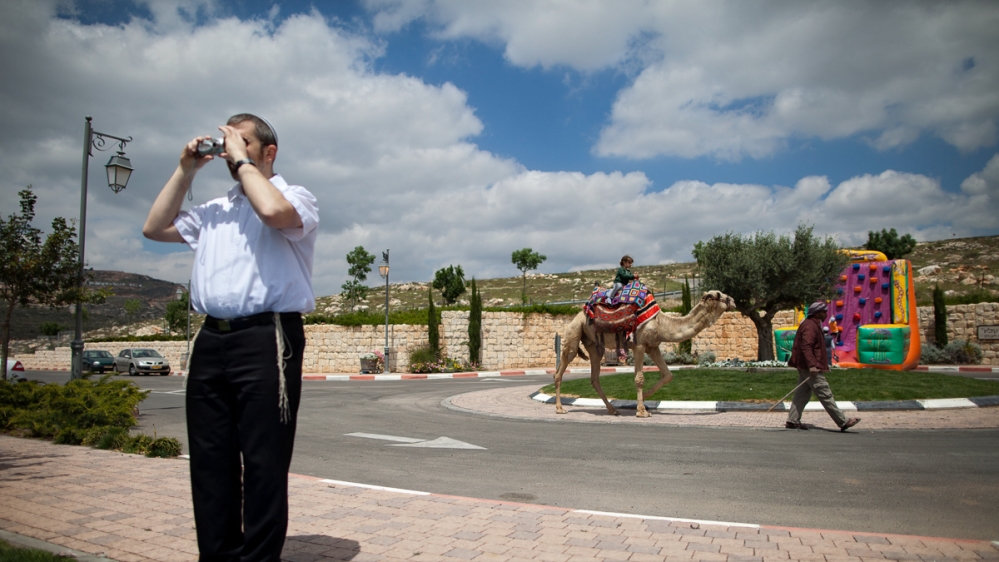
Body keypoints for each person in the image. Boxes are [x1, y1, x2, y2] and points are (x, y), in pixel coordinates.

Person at [143, 113, 319, 560]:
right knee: (210, 460)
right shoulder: (213, 211)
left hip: (267, 336)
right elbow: (155, 228)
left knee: (263, 462)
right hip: (211, 339)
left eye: (241, 141)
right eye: (227, 142)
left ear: (269, 151)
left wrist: (243, 165)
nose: (229, 150)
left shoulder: (295, 195)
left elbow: (274, 213)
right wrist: (186, 167)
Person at [785, 301, 860, 432]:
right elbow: (806, 346)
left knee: (802, 394)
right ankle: (842, 421)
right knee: (825, 393)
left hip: (805, 365)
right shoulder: (810, 326)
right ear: (817, 313)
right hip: (810, 367)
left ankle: (792, 420)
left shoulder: (813, 324)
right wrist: (812, 365)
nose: (826, 314)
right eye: (824, 312)